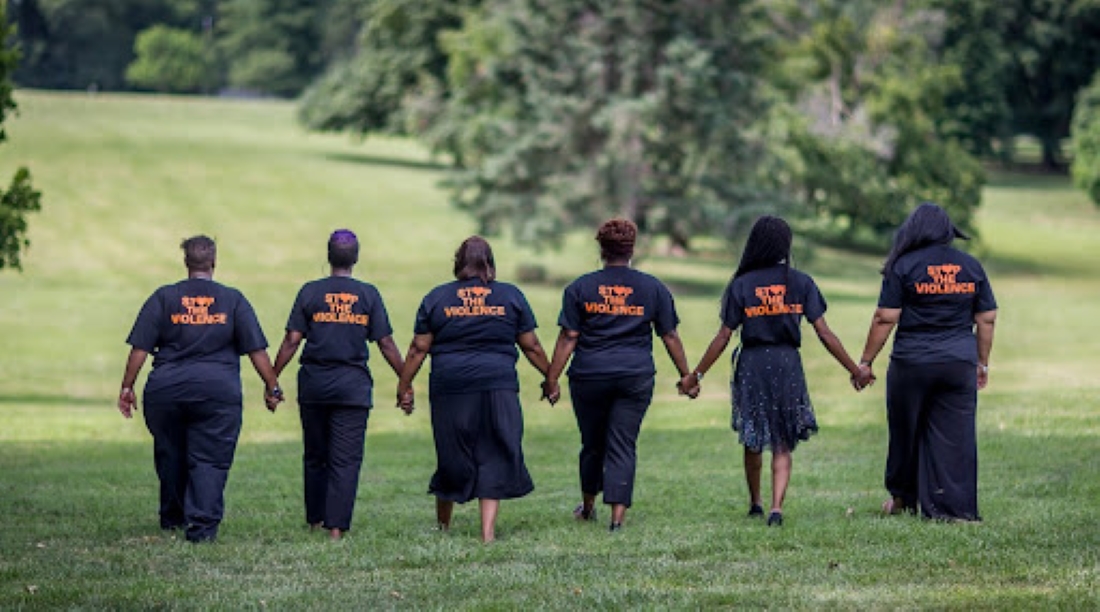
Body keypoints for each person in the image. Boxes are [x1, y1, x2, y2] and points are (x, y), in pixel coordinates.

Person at [684, 216, 864, 527]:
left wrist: (695, 375)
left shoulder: (741, 285)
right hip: (786, 364)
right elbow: (824, 332)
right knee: (782, 437)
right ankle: (776, 508)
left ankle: (756, 501)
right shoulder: (801, 282)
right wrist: (854, 370)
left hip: (753, 363)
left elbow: (723, 337)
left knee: (752, 435)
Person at [117, 235, 283, 543]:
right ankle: (202, 528)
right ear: (213, 263)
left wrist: (127, 387)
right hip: (218, 393)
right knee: (209, 458)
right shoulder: (233, 300)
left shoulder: (164, 297)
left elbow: (139, 349)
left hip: (165, 391)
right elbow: (256, 350)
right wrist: (272, 386)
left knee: (171, 453)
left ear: (186, 263)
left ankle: (172, 519)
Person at [396, 236, 552, 543]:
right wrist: (551, 377)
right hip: (498, 385)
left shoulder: (437, 298)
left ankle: (443, 526)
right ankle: (487, 533)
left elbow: (418, 348)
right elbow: (531, 346)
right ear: (490, 265)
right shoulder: (510, 295)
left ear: (458, 264)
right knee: (493, 451)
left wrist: (404, 385)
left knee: (451, 452)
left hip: (450, 386)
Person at [543, 218, 694, 532]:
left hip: (589, 376)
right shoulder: (652, 287)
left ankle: (587, 507)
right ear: (631, 248)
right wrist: (686, 376)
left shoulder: (580, 287)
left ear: (601, 248)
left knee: (592, 443)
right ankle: (617, 519)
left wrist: (552, 378)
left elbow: (568, 337)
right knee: (623, 443)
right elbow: (670, 336)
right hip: (634, 376)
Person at [856, 202, 997, 521]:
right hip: (958, 362)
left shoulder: (903, 265)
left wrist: (865, 361)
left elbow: (884, 318)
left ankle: (903, 499)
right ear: (948, 232)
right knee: (957, 437)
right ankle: (956, 509)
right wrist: (982, 363)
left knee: (905, 429)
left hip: (912, 362)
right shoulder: (970, 266)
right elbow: (986, 318)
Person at [271, 230, 406, 540]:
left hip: (314, 385)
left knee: (315, 455)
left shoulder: (310, 291)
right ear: (355, 258)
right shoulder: (368, 294)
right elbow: (385, 343)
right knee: (345, 459)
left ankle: (315, 520)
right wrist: (405, 379)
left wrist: (273, 377)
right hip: (352, 387)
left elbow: (292, 339)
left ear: (328, 257)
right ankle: (335, 529)